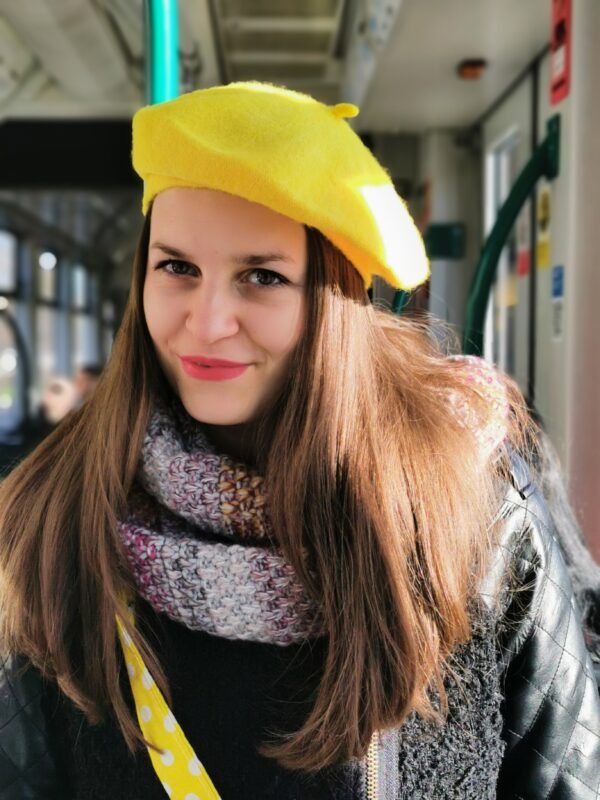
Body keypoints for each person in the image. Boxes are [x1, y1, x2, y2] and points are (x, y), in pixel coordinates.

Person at [0, 82, 598, 800]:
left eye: (262, 276)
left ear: (335, 300)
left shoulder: (472, 504)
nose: (209, 320)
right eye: (177, 267)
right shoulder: (50, 515)